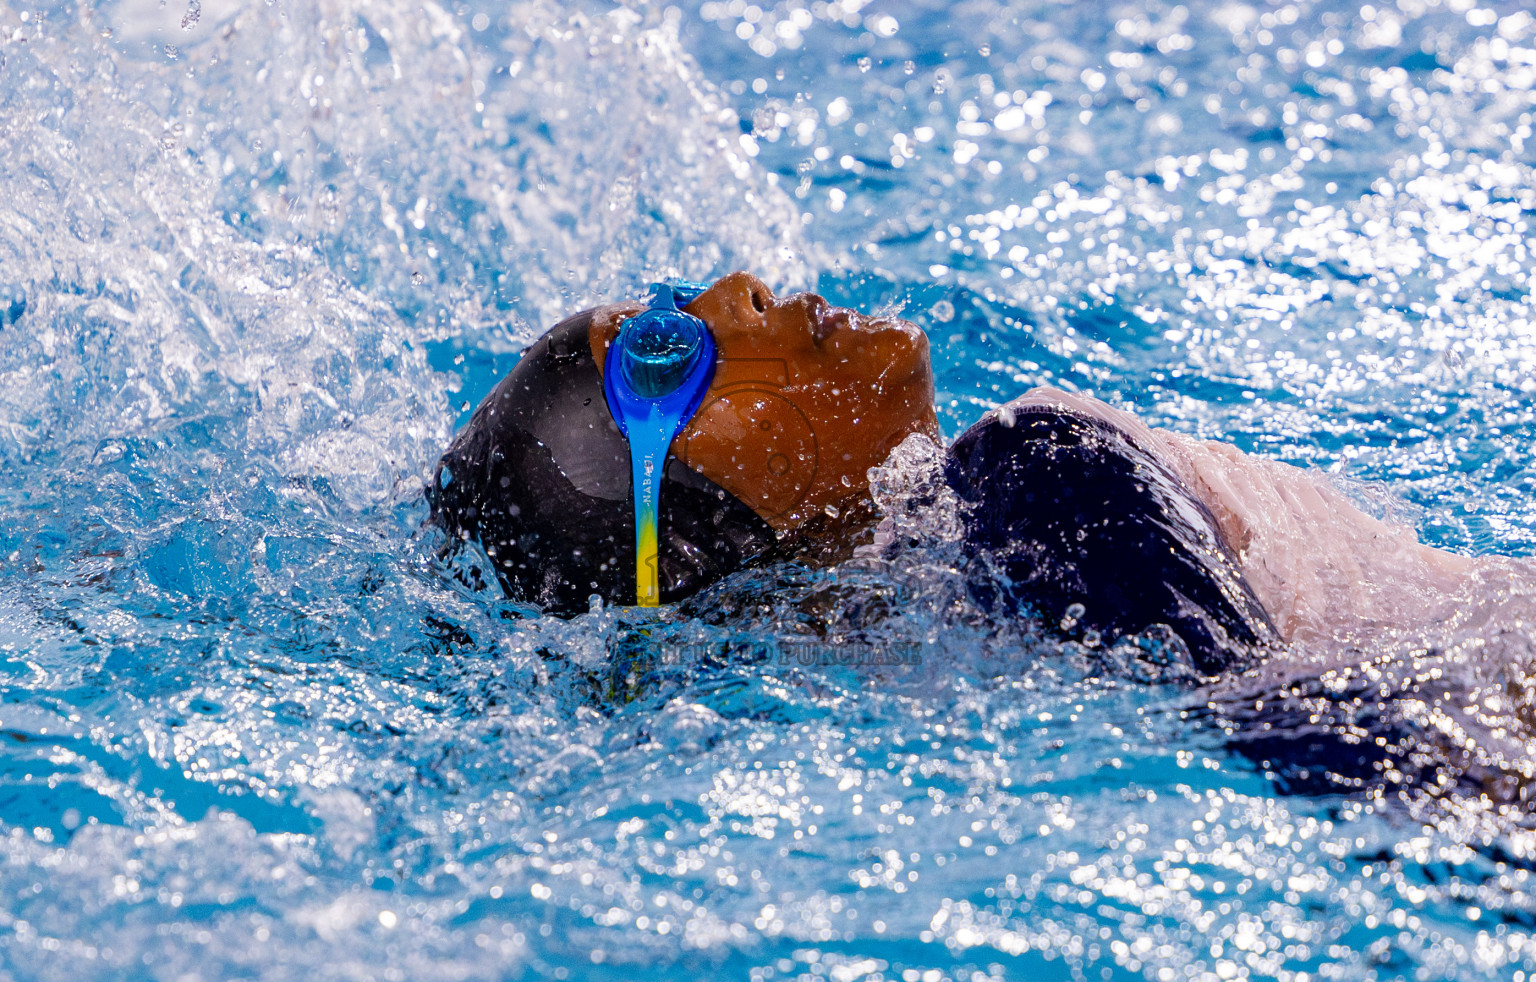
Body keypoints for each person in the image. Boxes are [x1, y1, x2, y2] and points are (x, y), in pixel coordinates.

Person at [428, 272, 1521, 677]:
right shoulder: (1038, 479)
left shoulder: (937, 632)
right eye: (664, 356)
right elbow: (1306, 725)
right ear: (690, 516)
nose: (738, 290)